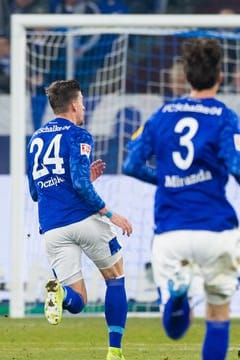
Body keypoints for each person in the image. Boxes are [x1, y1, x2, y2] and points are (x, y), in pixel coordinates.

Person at [122, 37, 240, 360]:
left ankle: (178, 296)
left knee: (175, 328)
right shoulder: (225, 116)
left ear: (186, 76)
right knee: (218, 313)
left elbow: (130, 164)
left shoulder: (161, 115)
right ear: (220, 76)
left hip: (171, 231)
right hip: (216, 229)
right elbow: (237, 166)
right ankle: (184, 297)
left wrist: (168, 180)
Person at [26, 80, 133, 360]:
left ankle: (60, 294)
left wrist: (83, 180)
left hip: (52, 229)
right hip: (84, 220)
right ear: (74, 105)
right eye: (83, 102)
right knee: (115, 277)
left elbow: (35, 192)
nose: (84, 107)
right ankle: (114, 351)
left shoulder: (35, 139)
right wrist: (112, 214)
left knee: (78, 301)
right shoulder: (78, 135)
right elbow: (82, 186)